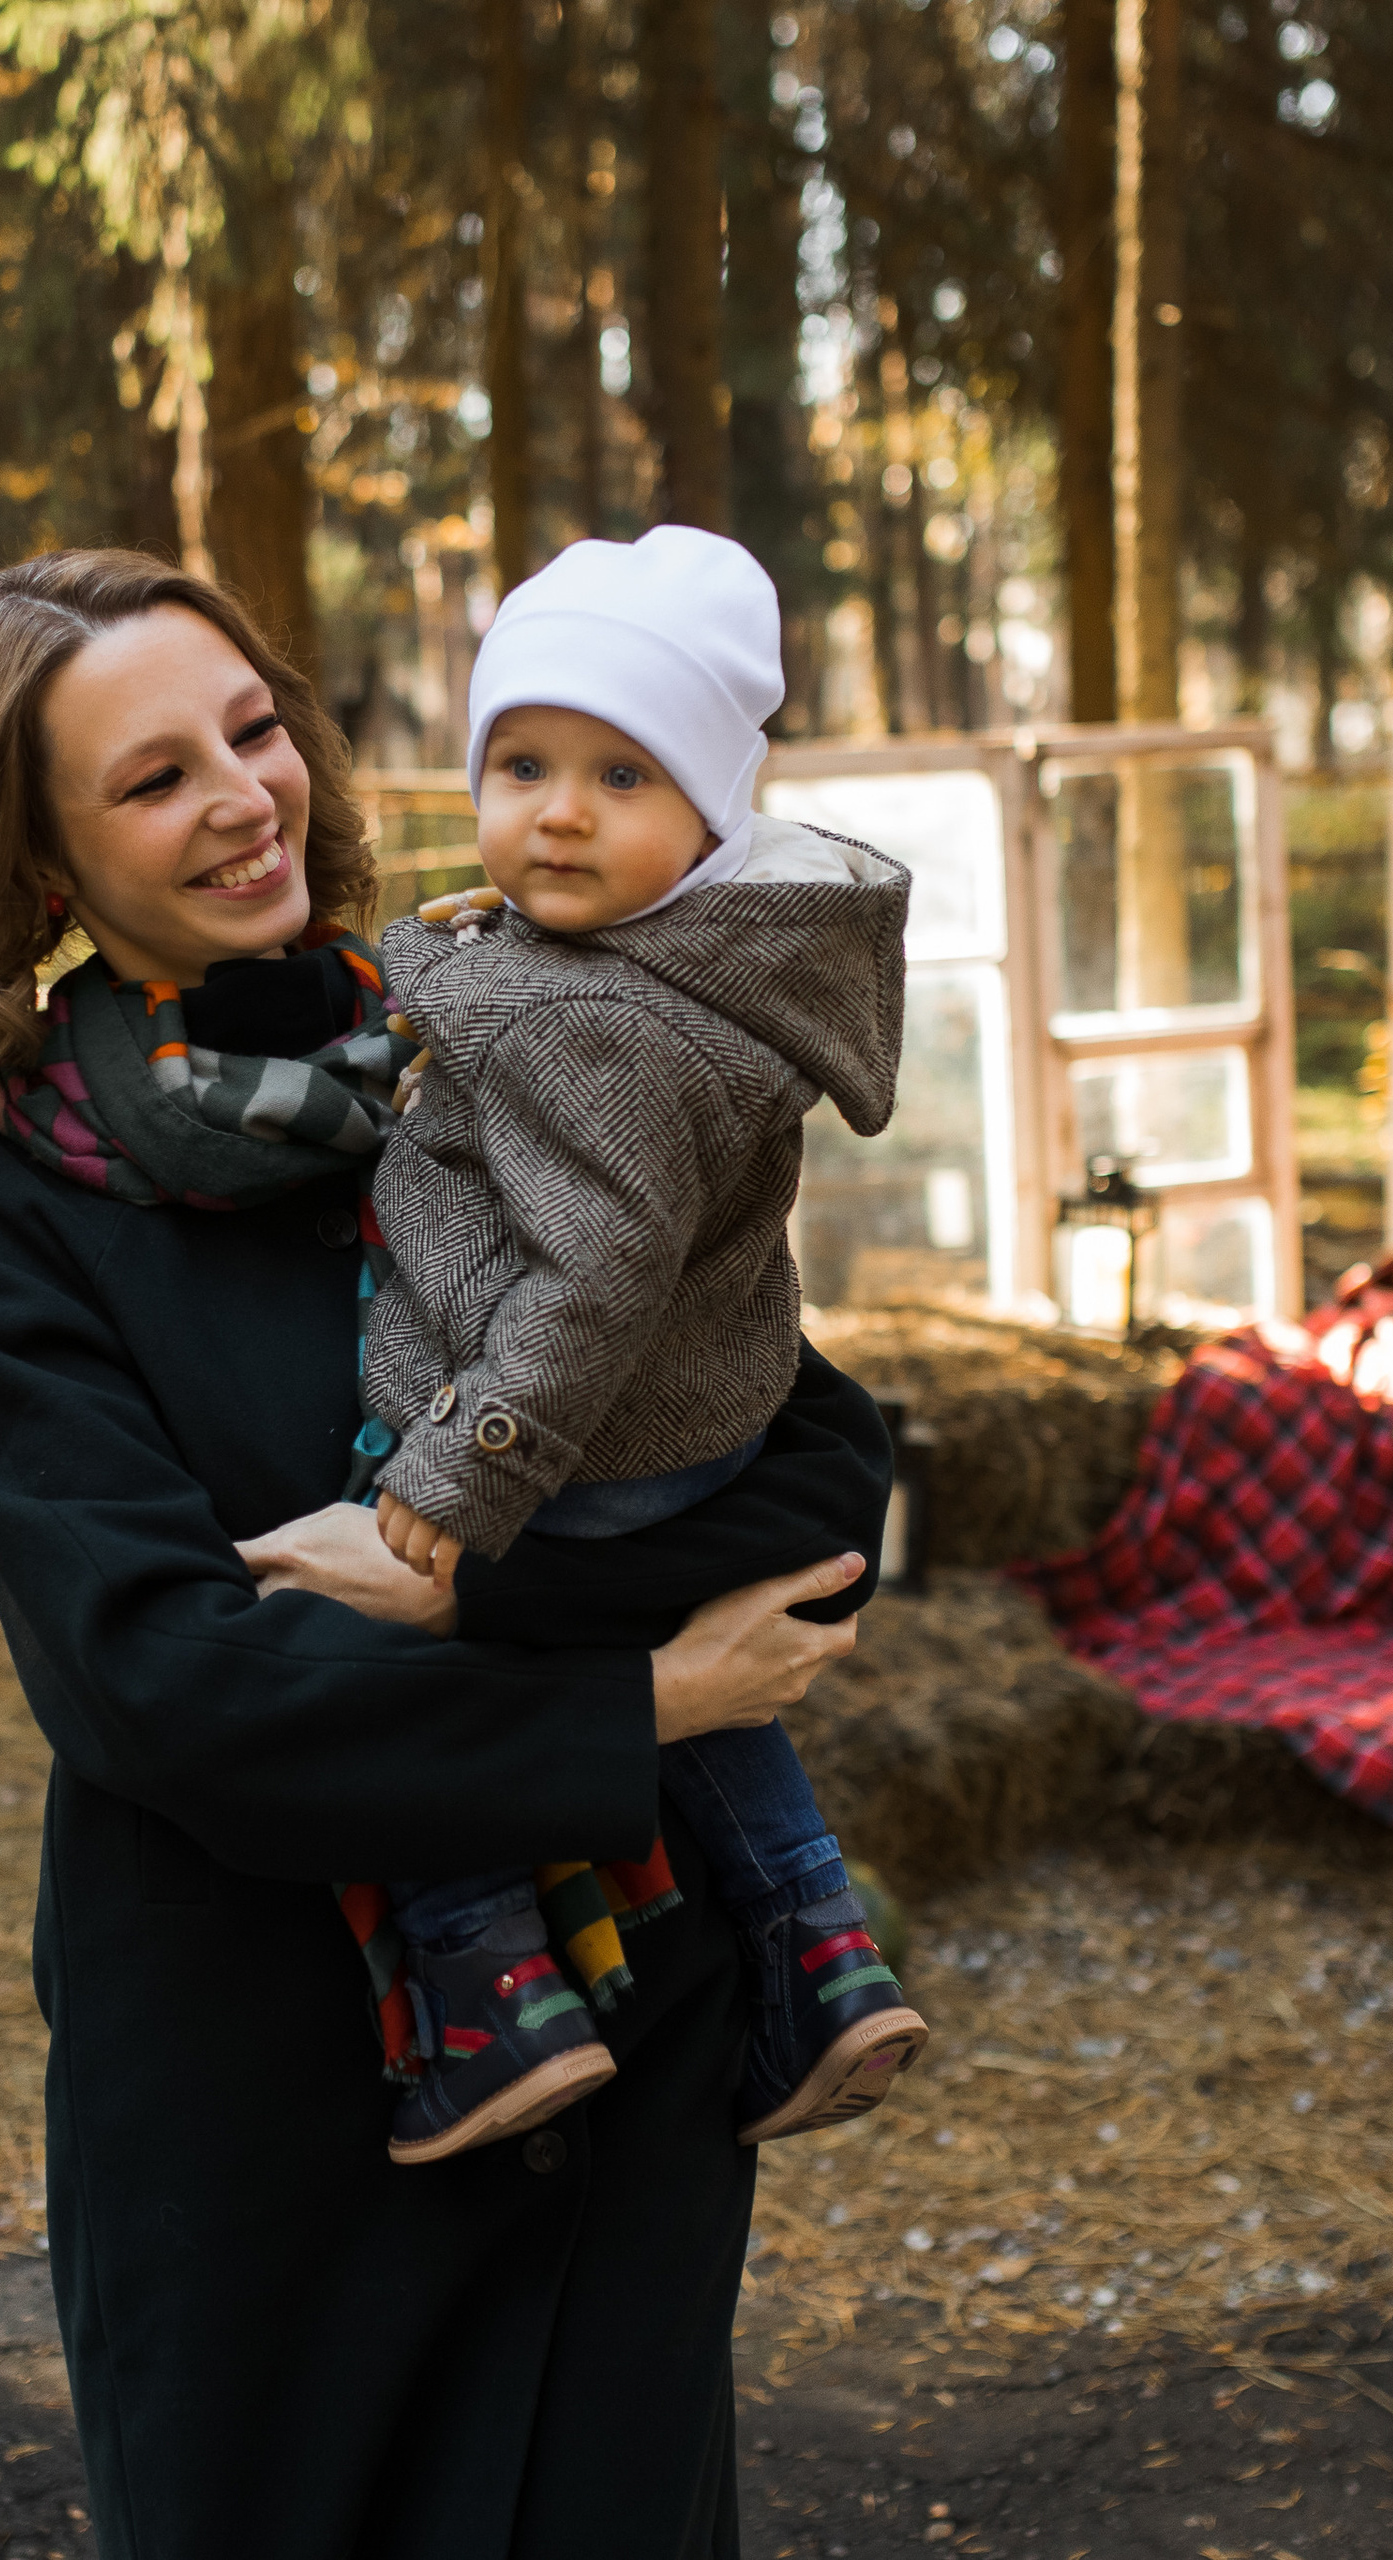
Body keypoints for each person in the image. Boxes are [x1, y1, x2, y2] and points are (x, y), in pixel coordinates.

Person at [0, 547, 892, 2558]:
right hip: (270, 2106)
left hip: (628, 2040)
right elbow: (168, 1689)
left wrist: (426, 1577)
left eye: (252, 728)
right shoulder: (1, 1230)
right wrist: (640, 1690)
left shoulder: (510, 1035)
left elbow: (810, 1462)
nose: (244, 793)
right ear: (37, 868)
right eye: (153, 777)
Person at [354, 526, 930, 2165]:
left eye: (621, 774)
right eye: (521, 762)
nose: (557, 811)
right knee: (718, 1700)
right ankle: (822, 1955)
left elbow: (596, 1269)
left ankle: (491, 1996)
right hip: (712, 1422)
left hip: (575, 1436)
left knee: (415, 1655)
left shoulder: (585, 1025)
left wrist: (471, 1465)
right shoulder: (701, 968)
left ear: (709, 813)